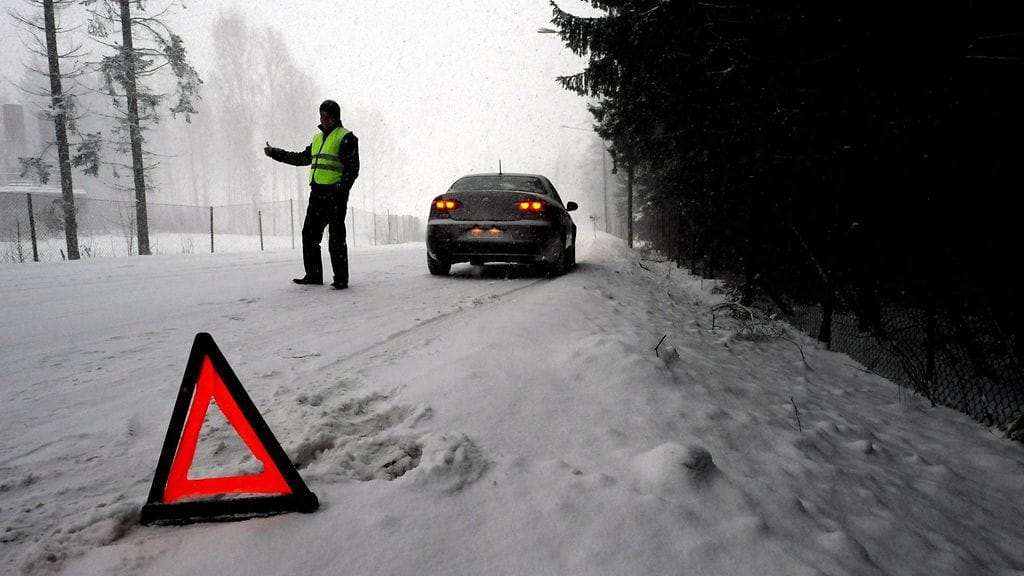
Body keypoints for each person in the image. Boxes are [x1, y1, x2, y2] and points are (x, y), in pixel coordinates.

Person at [264, 99, 360, 289]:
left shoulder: (346, 137)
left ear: (336, 117)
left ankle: (341, 279)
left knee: (336, 238)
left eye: (327, 116)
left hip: (335, 195)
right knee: (309, 235)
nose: (323, 119)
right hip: (317, 194)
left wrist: (341, 190)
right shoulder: (317, 139)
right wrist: (276, 153)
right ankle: (314, 275)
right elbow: (301, 158)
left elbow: (352, 169)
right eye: (321, 115)